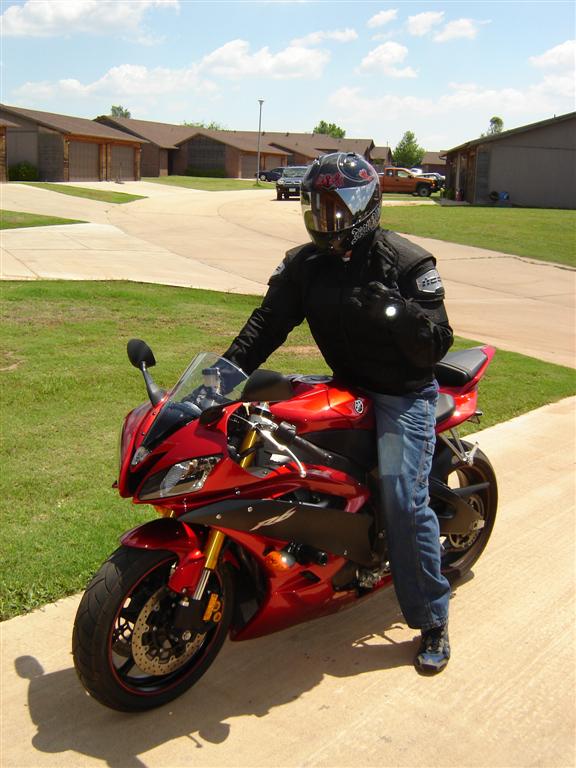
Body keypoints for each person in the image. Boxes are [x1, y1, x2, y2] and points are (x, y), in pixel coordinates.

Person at [222, 152, 453, 673]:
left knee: (402, 495)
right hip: (345, 385)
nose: (325, 219)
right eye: (317, 207)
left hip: (402, 394)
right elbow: (265, 325)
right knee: (278, 446)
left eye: (336, 208)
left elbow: (437, 342)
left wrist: (397, 313)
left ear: (365, 207)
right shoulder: (305, 265)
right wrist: (221, 378)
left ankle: (432, 616)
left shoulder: (408, 264)